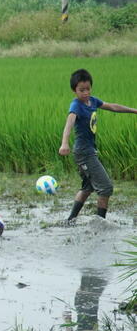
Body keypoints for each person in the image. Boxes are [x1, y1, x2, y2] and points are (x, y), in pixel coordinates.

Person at [58, 68, 137, 223]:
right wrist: (64, 143)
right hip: (84, 153)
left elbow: (113, 107)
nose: (85, 92)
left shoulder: (92, 101)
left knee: (87, 187)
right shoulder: (76, 106)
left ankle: (70, 220)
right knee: (106, 188)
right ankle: (100, 223)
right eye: (81, 90)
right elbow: (69, 123)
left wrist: (134, 111)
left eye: (88, 89)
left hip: (89, 151)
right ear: (74, 90)